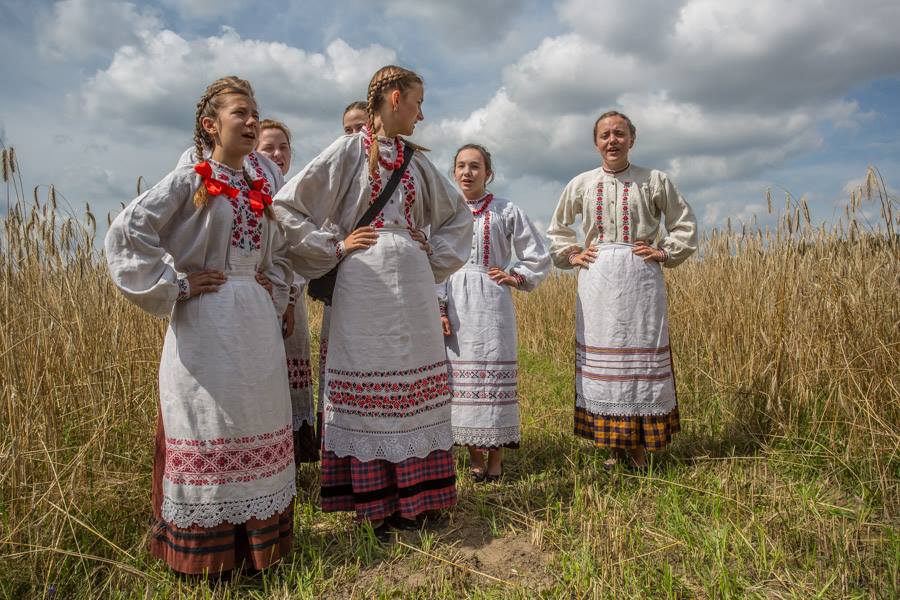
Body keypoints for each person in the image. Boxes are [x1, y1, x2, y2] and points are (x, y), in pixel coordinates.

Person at [105, 76, 296, 575]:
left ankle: (258, 554)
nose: (253, 121)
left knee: (254, 418)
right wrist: (179, 284)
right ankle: (208, 561)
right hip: (206, 322)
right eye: (241, 113)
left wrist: (268, 284)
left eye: (256, 112)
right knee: (207, 420)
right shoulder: (192, 177)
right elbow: (127, 233)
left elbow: (279, 252)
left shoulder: (258, 184)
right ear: (211, 125)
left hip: (253, 322)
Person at [273, 65, 472, 535]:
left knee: (416, 380)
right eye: (419, 103)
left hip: (415, 286)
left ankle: (421, 499)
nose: (422, 114)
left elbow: (457, 218)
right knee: (370, 379)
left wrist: (430, 254)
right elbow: (287, 205)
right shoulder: (346, 152)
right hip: (363, 284)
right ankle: (378, 505)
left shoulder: (417, 161)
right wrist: (335, 247)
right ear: (396, 98)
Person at [547, 111, 697, 470]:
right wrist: (573, 254)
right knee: (606, 363)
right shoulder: (581, 183)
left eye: (619, 133)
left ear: (632, 139)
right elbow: (557, 228)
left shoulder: (654, 180)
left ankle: (641, 451)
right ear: (596, 142)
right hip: (598, 279)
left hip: (641, 279)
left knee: (639, 358)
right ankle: (615, 447)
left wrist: (664, 252)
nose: (612, 140)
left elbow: (684, 223)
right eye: (604, 135)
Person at [440, 144, 550, 482]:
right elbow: (437, 265)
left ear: (489, 173)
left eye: (475, 166)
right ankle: (474, 455)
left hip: (492, 301)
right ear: (453, 172)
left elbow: (537, 255)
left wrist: (515, 276)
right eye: (461, 166)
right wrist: (439, 307)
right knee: (460, 379)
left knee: (493, 377)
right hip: (457, 300)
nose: (467, 173)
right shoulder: (445, 213)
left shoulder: (506, 210)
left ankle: (496, 457)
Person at [256, 119, 318, 464]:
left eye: (284, 147)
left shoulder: (294, 191)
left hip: (288, 295)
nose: (278, 154)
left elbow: (296, 252)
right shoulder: (249, 187)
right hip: (254, 295)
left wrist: (291, 300)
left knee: (290, 366)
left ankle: (293, 454)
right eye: (269, 147)